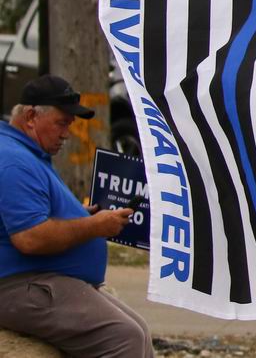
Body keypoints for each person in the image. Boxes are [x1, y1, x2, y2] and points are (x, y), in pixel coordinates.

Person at [0, 75, 154, 357]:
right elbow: (29, 238)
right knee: (124, 337)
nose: (67, 134)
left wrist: (79, 216)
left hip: (41, 278)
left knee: (140, 329)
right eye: (62, 123)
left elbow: (31, 215)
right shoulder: (13, 161)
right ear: (32, 116)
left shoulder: (26, 153)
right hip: (19, 284)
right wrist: (94, 226)